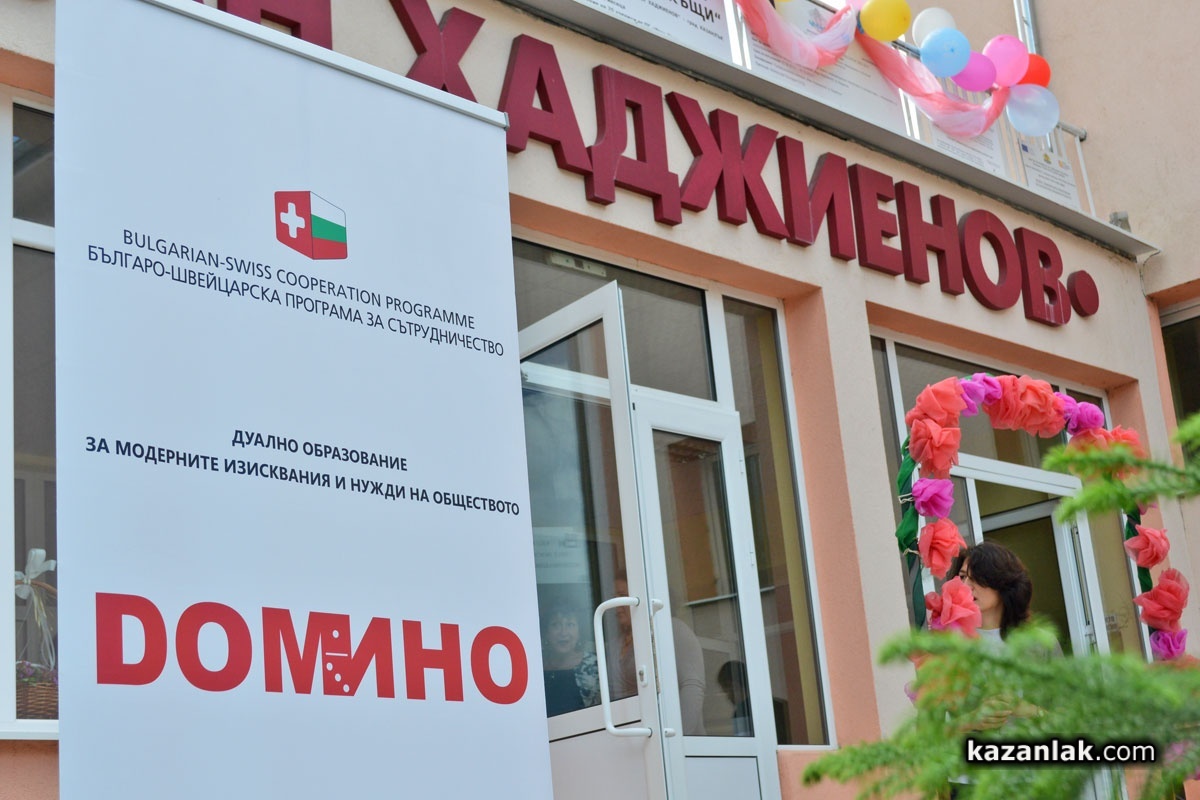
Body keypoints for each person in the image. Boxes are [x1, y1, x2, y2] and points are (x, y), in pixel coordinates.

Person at [540, 605, 599, 716]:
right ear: (546, 633)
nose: (563, 632)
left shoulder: (595, 663)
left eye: (570, 625)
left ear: (579, 632)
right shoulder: (536, 664)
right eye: (556, 625)